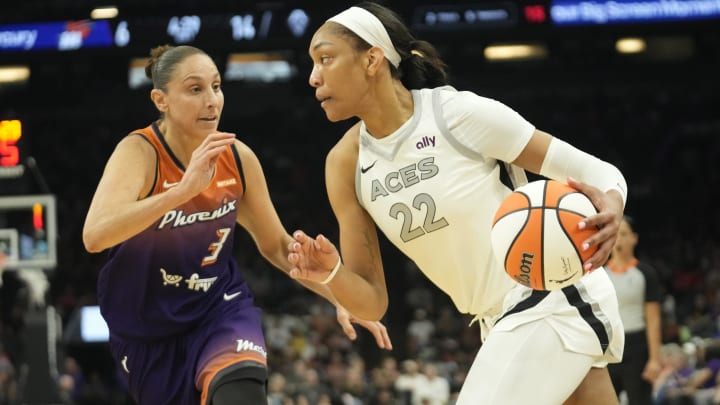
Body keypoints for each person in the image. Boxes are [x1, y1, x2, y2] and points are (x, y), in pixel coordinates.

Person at [287, 2, 628, 404]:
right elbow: (372, 302)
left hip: (550, 295)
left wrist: (611, 203)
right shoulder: (344, 164)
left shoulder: (454, 115)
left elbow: (596, 171)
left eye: (325, 59)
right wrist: (330, 274)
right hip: (498, 317)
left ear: (372, 59)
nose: (313, 77)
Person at [82, 44, 391, 405]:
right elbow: (95, 235)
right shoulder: (139, 152)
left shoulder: (237, 158)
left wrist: (340, 296)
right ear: (160, 100)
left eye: (216, 86)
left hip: (219, 308)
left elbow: (277, 245)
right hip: (146, 329)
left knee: (241, 390)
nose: (212, 100)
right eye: (195, 89)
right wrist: (181, 192)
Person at [604, 216, 663, 405]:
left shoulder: (645, 273)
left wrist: (654, 359)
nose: (618, 239)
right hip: (607, 347)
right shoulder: (599, 275)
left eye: (623, 234)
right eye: (614, 234)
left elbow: (653, 320)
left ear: (634, 238)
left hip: (637, 347)